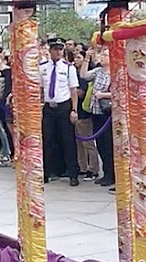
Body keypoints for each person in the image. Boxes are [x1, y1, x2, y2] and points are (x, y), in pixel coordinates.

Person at [40, 38, 80, 186]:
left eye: (60, 49)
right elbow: (40, 87)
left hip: (64, 106)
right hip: (49, 106)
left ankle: (73, 173)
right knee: (47, 140)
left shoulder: (68, 67)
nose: (58, 52)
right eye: (55, 49)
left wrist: (74, 110)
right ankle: (46, 172)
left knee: (68, 140)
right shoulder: (43, 67)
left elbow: (73, 90)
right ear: (50, 51)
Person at [80, 46, 114, 187]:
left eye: (106, 55)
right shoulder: (98, 71)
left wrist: (103, 95)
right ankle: (106, 173)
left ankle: (112, 174)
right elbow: (84, 75)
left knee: (108, 144)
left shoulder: (115, 72)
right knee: (100, 144)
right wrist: (87, 58)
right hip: (96, 112)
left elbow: (119, 92)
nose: (103, 57)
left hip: (107, 113)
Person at [72, 48, 100, 181]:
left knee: (88, 142)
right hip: (74, 112)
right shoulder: (73, 72)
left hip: (84, 112)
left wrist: (70, 91)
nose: (75, 60)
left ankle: (93, 168)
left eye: (78, 57)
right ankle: (82, 167)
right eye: (75, 57)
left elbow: (81, 92)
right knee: (78, 143)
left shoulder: (88, 75)